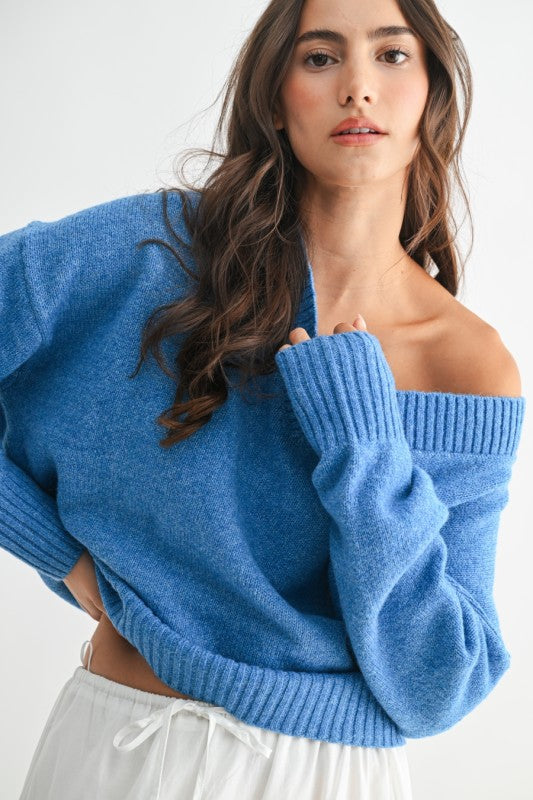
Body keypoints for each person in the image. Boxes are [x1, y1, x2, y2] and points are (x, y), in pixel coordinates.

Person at [0, 0, 526, 798]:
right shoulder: (149, 253)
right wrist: (55, 551)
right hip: (116, 750)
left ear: (433, 95)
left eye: (391, 55)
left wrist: (362, 444)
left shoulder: (465, 363)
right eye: (320, 57)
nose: (357, 86)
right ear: (275, 99)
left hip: (322, 775)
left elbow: (437, 688)